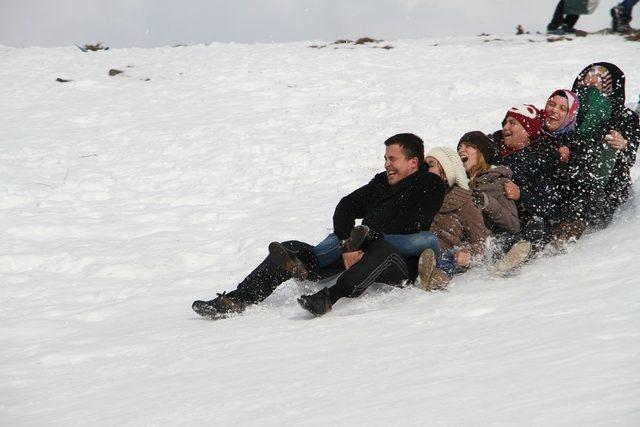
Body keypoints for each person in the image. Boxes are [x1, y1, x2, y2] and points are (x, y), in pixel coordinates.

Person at [192, 133, 445, 319]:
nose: (387, 164)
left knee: (382, 248)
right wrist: (348, 245)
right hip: (359, 251)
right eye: (385, 159)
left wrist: (363, 241)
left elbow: (410, 223)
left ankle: (327, 298)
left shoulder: (430, 186)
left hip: (397, 262)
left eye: (393, 159)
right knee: (291, 248)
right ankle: (238, 298)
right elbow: (346, 206)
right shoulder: (381, 183)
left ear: (413, 163)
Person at [572, 63, 640, 224]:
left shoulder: (624, 117)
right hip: (573, 179)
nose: (588, 91)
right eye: (584, 85)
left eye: (595, 86)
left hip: (608, 188)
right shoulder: (572, 111)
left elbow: (629, 157)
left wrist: (624, 144)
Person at [416, 147, 490, 290]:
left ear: (446, 171)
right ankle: (424, 274)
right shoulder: (419, 198)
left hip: (448, 256)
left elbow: (481, 239)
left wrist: (467, 255)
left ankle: (436, 277)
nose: (425, 169)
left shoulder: (462, 200)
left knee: (448, 257)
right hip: (419, 253)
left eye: (431, 165)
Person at [457, 131, 520, 235]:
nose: (461, 150)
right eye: (459, 147)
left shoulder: (497, 182)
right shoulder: (457, 184)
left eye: (468, 146)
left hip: (491, 243)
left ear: (482, 153)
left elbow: (513, 225)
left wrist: (487, 202)